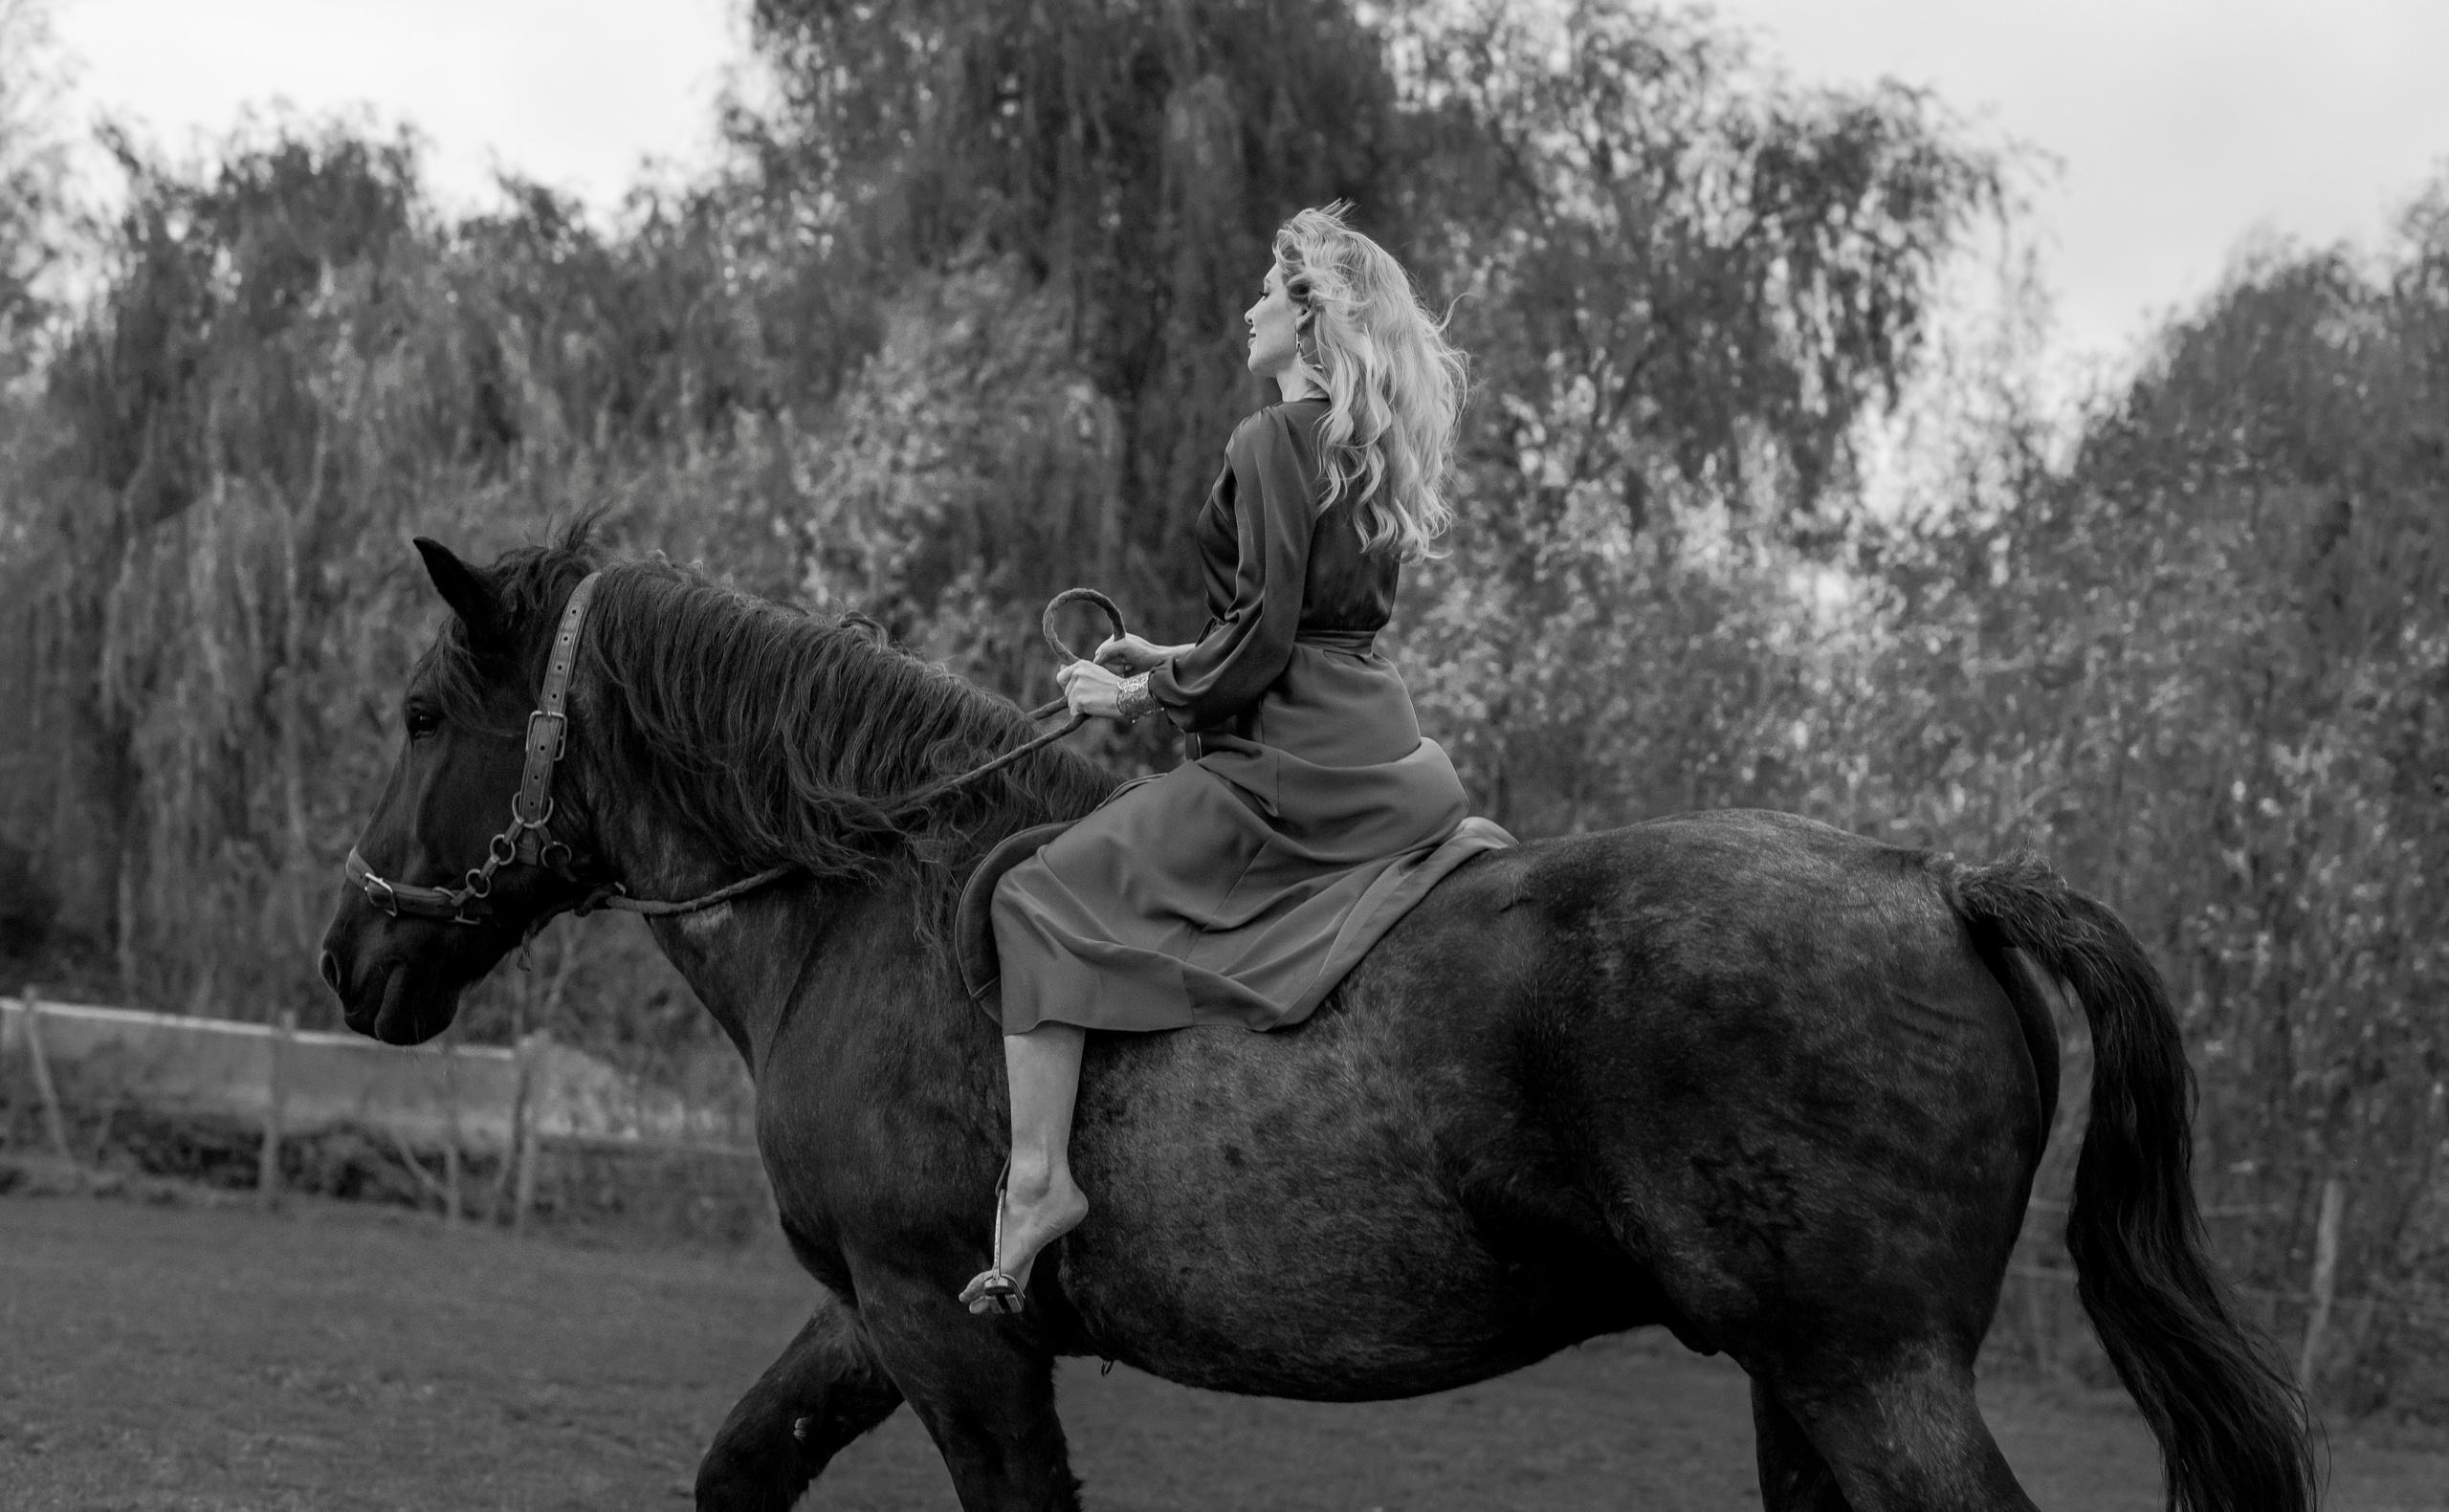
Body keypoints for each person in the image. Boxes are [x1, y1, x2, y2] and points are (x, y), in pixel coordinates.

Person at [960, 203, 1512, 1316]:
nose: (1248, 308)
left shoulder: (1268, 438)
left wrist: (1132, 691)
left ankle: (1037, 1182)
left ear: (1307, 323)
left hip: (1287, 760)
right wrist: (1169, 653)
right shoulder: (1361, 447)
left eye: (1268, 293)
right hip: (1368, 737)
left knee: (1029, 895)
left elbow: (1263, 638)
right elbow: (1301, 624)